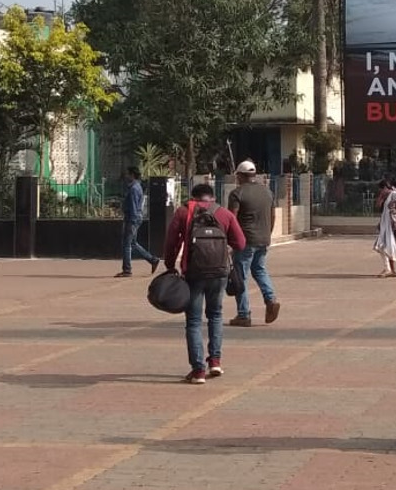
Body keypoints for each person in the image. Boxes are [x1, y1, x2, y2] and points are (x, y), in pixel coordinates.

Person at [164, 182, 246, 384]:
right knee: (216, 316)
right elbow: (241, 243)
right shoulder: (224, 214)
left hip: (194, 273)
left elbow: (171, 241)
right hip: (219, 274)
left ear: (193, 198)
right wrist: (225, 249)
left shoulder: (184, 212)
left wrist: (169, 264)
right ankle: (215, 361)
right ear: (213, 198)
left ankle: (198, 370)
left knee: (193, 320)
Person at [227, 160, 280, 328]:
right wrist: (267, 234)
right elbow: (273, 216)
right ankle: (270, 299)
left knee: (240, 276)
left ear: (241, 176)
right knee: (259, 270)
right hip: (263, 239)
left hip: (245, 240)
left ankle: (243, 314)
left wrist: (230, 241)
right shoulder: (267, 192)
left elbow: (231, 219)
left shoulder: (237, 194)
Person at [115, 166, 160, 278]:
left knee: (127, 244)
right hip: (133, 217)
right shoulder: (135, 187)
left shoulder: (134, 188)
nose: (126, 176)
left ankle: (127, 269)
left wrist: (132, 220)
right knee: (133, 243)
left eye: (128, 174)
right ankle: (152, 259)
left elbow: (134, 206)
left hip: (132, 218)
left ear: (132, 175)